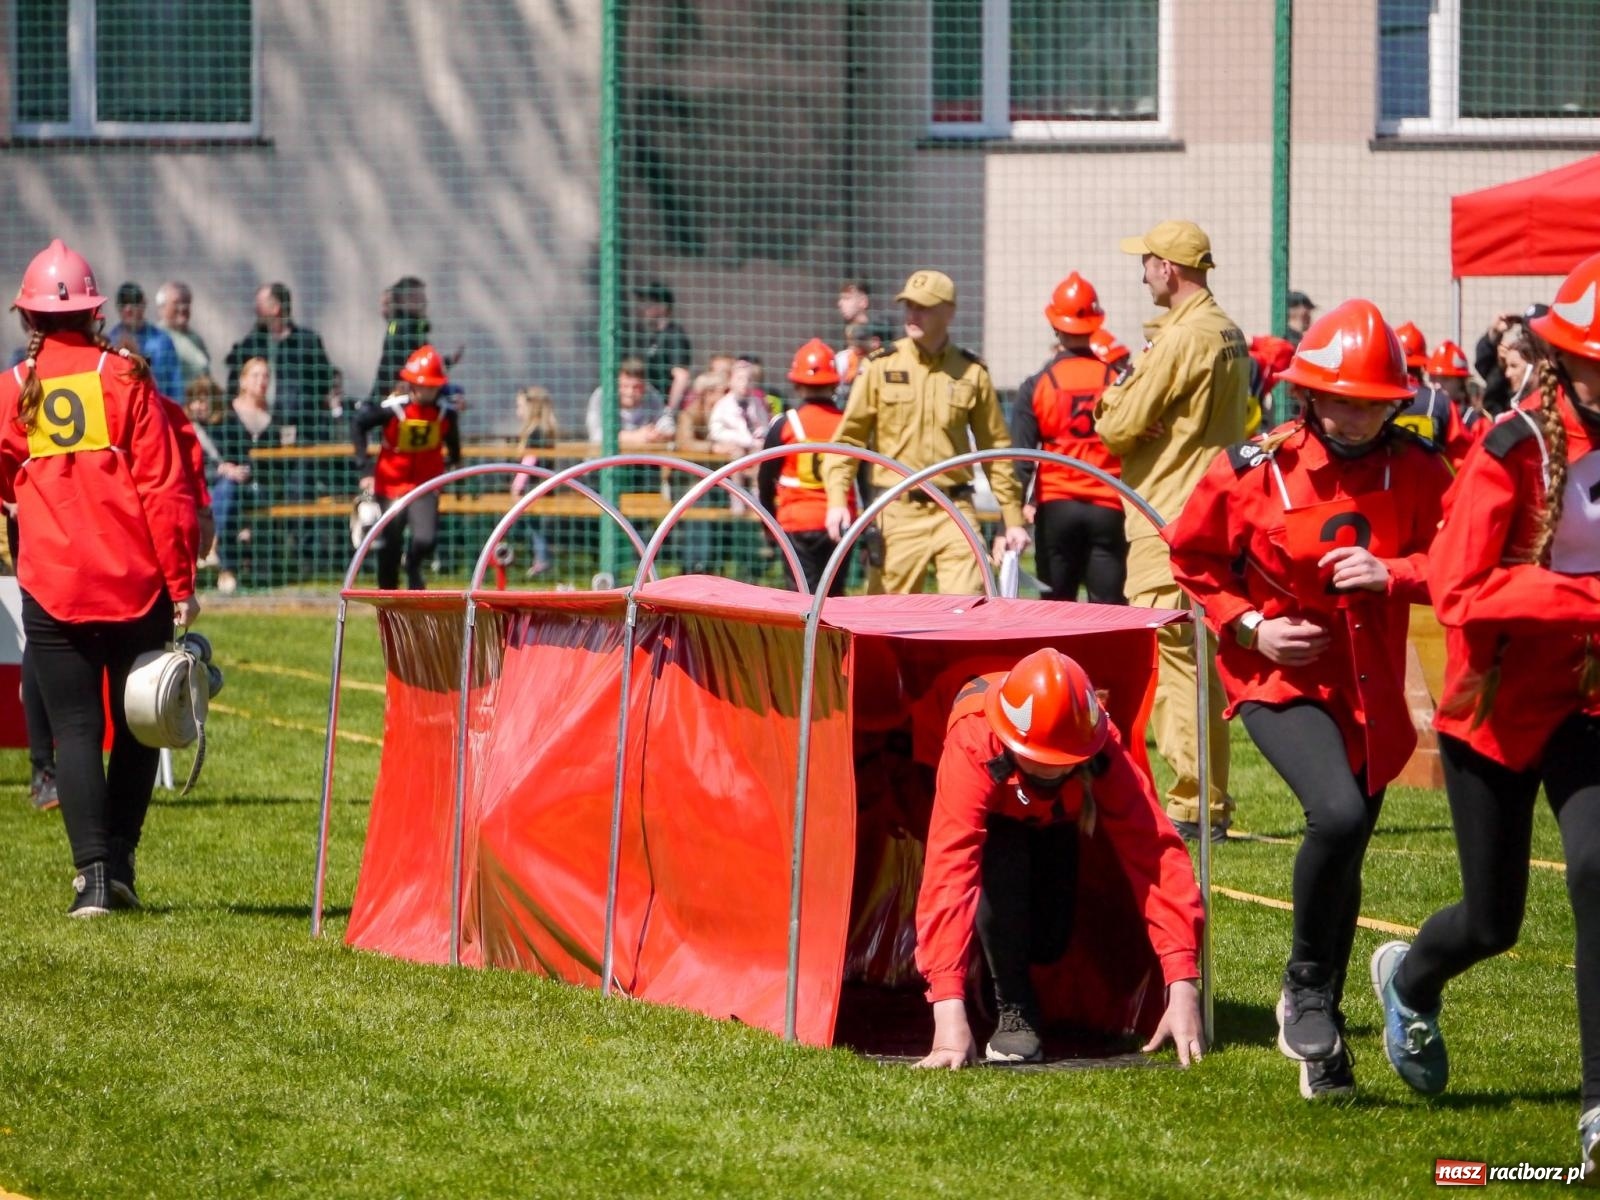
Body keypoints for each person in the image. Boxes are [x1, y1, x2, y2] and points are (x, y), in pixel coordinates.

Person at [1165, 299, 1452, 1100]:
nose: (1358, 417)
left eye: (1375, 403)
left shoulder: (1420, 470)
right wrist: (1253, 628)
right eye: (1342, 400)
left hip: (1371, 692)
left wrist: (1396, 573)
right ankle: (1305, 987)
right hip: (1278, 681)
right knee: (1338, 815)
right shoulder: (1253, 468)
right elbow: (1192, 558)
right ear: (1309, 395)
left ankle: (1324, 1046)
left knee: (1346, 852)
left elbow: (1467, 560)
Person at [1370, 253, 1600, 1172]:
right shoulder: (1511, 447)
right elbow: (1459, 590)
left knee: (1598, 871)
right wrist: (1587, 601)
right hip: (1494, 708)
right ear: (1563, 361)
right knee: (1493, 923)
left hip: (1588, 699)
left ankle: (1596, 1108)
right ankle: (1410, 978)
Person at [0, 239, 199, 914]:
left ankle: (91, 880)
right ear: (95, 312)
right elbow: (165, 491)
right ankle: (120, 863)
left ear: (29, 317)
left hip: (53, 586)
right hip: (135, 584)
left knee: (76, 729)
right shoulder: (127, 377)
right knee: (139, 724)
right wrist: (181, 586)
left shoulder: (13, 389)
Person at [913, 648, 1204, 1068]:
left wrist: (1182, 981)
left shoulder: (1099, 740)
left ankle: (998, 972)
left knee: (1050, 939)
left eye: (1062, 763)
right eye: (1038, 762)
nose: (1049, 771)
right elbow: (950, 867)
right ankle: (1011, 1003)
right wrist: (946, 1007)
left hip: (1054, 817)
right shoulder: (973, 740)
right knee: (1003, 863)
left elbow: (1154, 850)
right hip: (978, 791)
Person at [1093, 220, 1250, 841]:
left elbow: (1116, 427)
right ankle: (1205, 799)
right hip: (1207, 512)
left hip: (1167, 516)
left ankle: (1193, 805)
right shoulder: (1226, 330)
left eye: (1147, 263)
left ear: (1168, 268)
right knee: (1197, 661)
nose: (1143, 275)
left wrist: (1117, 403)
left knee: (1175, 660)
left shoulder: (1181, 338)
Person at [821, 269, 1027, 595]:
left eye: (924, 307)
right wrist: (836, 500)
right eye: (909, 306)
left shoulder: (971, 372)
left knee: (969, 607)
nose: (912, 315)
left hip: (955, 509)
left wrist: (1012, 518)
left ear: (949, 312)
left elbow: (996, 450)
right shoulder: (880, 366)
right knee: (888, 617)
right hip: (896, 510)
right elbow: (848, 440)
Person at [1010, 272, 1128, 605]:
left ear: (1055, 326)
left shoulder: (1038, 384)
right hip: (1109, 505)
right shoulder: (1117, 379)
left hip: (1057, 507)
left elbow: (1021, 460)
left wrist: (1014, 516)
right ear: (1096, 322)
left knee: (1056, 609)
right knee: (1110, 612)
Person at [353, 345, 462, 590]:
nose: (429, 391)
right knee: (389, 545)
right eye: (424, 385)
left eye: (433, 386)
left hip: (424, 487)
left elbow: (454, 443)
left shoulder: (445, 414)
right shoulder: (393, 410)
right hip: (390, 486)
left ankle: (412, 564)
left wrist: (453, 463)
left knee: (426, 538)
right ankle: (388, 595)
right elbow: (358, 424)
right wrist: (365, 468)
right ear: (412, 384)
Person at [756, 339, 854, 595]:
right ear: (835, 384)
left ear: (797, 384)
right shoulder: (848, 425)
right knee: (834, 596)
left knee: (802, 596)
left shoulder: (785, 425)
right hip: (841, 520)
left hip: (796, 520)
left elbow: (765, 480)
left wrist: (768, 522)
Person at [223, 282, 336, 444]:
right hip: (259, 432)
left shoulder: (307, 342)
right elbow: (234, 384)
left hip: (301, 434)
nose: (255, 310)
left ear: (275, 308)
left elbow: (324, 382)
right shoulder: (252, 344)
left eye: (260, 304)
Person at [210, 357, 280, 595]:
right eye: (256, 375)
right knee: (228, 493)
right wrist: (228, 469)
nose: (262, 381)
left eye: (266, 376)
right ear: (243, 380)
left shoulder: (275, 416)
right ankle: (227, 568)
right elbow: (215, 454)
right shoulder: (227, 413)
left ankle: (228, 554)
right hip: (229, 484)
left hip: (263, 486)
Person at [1392, 324, 1479, 468]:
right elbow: (1462, 458)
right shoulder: (1441, 403)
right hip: (1432, 479)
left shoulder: (1374, 401)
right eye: (1435, 378)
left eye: (1446, 379)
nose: (1438, 385)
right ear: (1423, 366)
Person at [509, 385, 559, 578]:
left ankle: (541, 560)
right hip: (543, 487)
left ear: (532, 406)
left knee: (534, 526)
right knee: (535, 526)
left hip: (532, 488)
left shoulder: (535, 432)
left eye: (520, 406)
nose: (518, 411)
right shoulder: (546, 430)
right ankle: (540, 558)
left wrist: (517, 486)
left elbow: (529, 461)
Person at [107, 282, 183, 401]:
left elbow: (175, 385)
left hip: (157, 404)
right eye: (123, 302)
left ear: (143, 304)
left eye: (133, 302)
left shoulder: (162, 341)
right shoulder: (110, 341)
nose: (128, 308)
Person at [631, 281, 693, 412]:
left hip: (663, 412)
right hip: (651, 410)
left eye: (649, 303)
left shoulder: (674, 335)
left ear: (663, 307)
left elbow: (681, 376)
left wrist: (669, 412)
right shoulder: (655, 337)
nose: (644, 308)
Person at [585, 359, 671, 447]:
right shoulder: (601, 396)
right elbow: (596, 435)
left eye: (636, 387)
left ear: (644, 385)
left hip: (642, 453)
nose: (630, 392)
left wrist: (658, 434)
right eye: (625, 386)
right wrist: (634, 436)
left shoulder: (652, 395)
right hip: (607, 454)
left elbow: (667, 424)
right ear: (616, 384)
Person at [154, 280, 212, 390]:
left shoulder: (195, 338)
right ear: (162, 307)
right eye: (176, 303)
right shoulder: (156, 338)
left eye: (186, 302)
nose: (183, 308)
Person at [834, 278, 873, 379]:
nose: (840, 303)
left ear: (863, 301)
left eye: (847, 298)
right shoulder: (842, 357)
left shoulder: (877, 335)